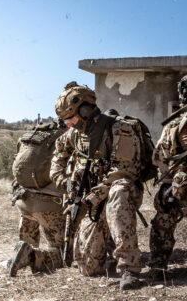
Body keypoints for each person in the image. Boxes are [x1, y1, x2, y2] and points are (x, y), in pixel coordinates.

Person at [49, 82, 144, 290]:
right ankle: (107, 252)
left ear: (85, 110)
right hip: (90, 199)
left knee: (119, 190)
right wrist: (62, 180)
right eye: (65, 120)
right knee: (88, 267)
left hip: (117, 192)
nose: (69, 124)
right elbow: (58, 155)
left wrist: (98, 193)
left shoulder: (119, 128)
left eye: (71, 118)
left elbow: (125, 170)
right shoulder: (74, 134)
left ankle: (129, 268)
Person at [7, 121, 68, 277]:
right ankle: (31, 257)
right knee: (63, 253)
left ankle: (24, 250)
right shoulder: (66, 138)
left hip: (24, 202)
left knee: (27, 243)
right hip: (50, 205)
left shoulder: (28, 138)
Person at [148, 75, 187, 280]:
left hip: (177, 188)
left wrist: (169, 183)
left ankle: (158, 267)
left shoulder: (173, 125)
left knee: (162, 224)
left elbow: (158, 158)